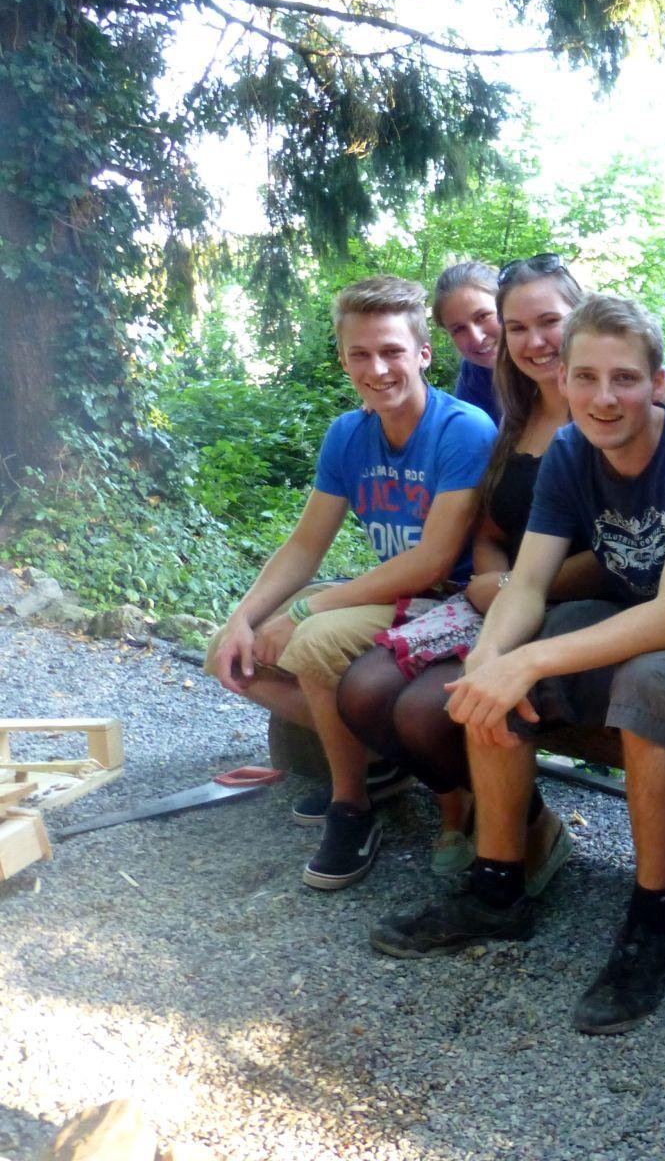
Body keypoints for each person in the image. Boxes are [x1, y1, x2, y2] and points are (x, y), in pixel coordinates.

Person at [370, 294, 665, 1040]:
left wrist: (529, 657)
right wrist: (489, 658)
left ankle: (653, 918)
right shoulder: (572, 451)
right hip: (644, 622)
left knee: (649, 680)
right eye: (587, 378)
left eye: (625, 378)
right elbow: (528, 584)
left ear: (658, 381)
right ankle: (498, 887)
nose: (605, 398)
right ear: (564, 381)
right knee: (504, 660)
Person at [205, 275, 496, 890]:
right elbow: (305, 545)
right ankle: (380, 756)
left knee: (314, 641)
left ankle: (351, 806)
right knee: (229, 654)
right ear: (343, 360)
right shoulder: (348, 434)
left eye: (392, 351)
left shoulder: (462, 429)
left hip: (452, 602)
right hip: (393, 596)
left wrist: (307, 611)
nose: (377, 369)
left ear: (423, 353)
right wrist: (241, 619)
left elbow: (433, 562)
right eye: (360, 354)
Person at [337, 257, 596, 879]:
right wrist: (489, 579)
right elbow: (491, 527)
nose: (533, 341)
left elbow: (619, 548)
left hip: (571, 604)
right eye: (518, 327)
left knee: (425, 710)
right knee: (363, 691)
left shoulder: (605, 408)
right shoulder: (517, 414)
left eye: (548, 323)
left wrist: (508, 586)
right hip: (497, 597)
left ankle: (521, 833)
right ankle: (506, 812)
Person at [434, 261, 503, 422]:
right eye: (459, 329)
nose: (476, 338)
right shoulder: (473, 376)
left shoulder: (549, 359)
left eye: (483, 316)